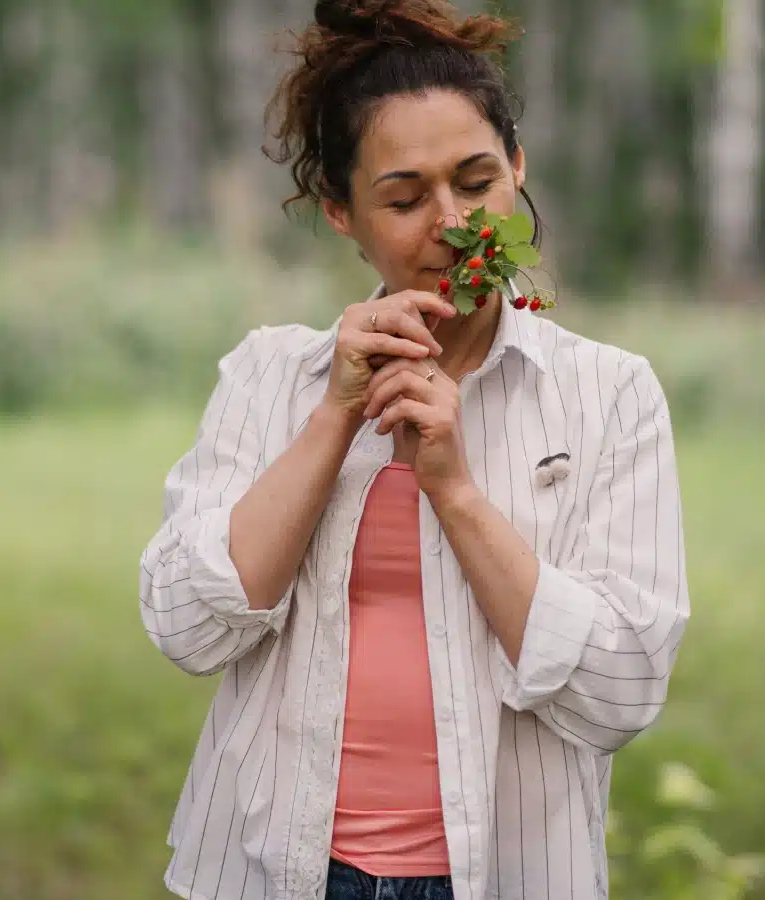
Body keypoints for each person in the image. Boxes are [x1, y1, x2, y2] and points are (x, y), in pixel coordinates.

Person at [138, 2, 689, 897]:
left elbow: (621, 689)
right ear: (340, 213)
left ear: (517, 166)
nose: (451, 221)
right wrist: (334, 417)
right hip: (278, 869)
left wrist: (457, 492)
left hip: (504, 876)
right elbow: (187, 628)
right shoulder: (270, 378)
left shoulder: (606, 395)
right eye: (403, 198)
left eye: (476, 182)